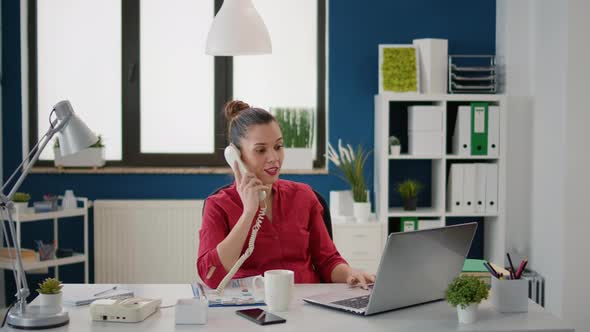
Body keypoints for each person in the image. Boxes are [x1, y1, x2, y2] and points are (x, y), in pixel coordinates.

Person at [197, 100, 375, 290]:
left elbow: (328, 261)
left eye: (278, 146)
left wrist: (350, 273)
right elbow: (211, 276)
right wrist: (249, 212)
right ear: (236, 156)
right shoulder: (218, 205)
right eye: (261, 150)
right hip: (252, 307)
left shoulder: (304, 196)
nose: (274, 158)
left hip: (308, 305)